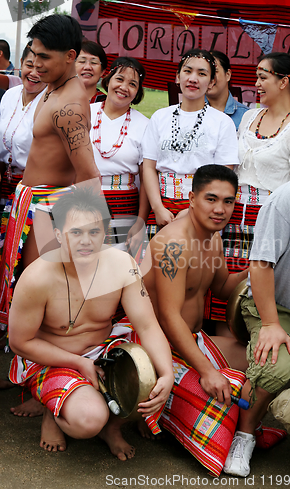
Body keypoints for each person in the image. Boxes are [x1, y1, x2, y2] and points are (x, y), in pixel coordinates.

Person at [8, 186, 174, 456]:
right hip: (50, 358)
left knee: (157, 373)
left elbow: (147, 325)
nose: (86, 241)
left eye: (94, 232)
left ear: (105, 234)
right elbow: (19, 342)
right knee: (88, 420)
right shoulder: (37, 277)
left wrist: (166, 373)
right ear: (59, 235)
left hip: (103, 348)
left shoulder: (122, 264)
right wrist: (77, 363)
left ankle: (114, 427)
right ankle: (54, 409)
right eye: (76, 232)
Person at [141, 165, 248, 476]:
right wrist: (207, 372)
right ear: (191, 198)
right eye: (211, 199)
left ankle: (169, 411)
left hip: (193, 341)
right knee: (224, 406)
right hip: (156, 346)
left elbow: (222, 289)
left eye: (228, 201)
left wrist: (255, 270)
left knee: (262, 366)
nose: (220, 209)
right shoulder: (172, 244)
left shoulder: (213, 238)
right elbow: (168, 315)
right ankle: (151, 411)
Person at [0, 14, 101, 329]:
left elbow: (88, 173)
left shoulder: (69, 105)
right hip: (31, 203)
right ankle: (24, 368)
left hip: (47, 209)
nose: (36, 64)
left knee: (37, 291)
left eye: (45, 57)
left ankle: (39, 372)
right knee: (23, 287)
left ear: (70, 56)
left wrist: (92, 237)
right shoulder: (52, 89)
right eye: (33, 54)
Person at [210, 52, 290, 326]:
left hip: (268, 223)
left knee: (253, 294)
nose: (257, 84)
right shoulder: (249, 117)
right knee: (221, 297)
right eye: (257, 77)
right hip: (231, 219)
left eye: (263, 77)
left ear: (284, 81)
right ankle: (221, 361)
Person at [223, 174, 290, 477]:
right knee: (273, 363)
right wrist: (271, 323)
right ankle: (244, 434)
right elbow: (260, 265)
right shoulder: (289, 198)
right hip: (277, 306)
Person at [142, 48, 238, 239]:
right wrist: (158, 207)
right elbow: (149, 166)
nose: (193, 79)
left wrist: (192, 211)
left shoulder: (222, 122)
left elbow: (223, 174)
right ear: (177, 76)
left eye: (202, 73)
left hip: (203, 210)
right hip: (162, 210)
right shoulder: (160, 117)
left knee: (196, 265)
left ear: (211, 82)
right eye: (187, 71)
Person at [90, 56, 149, 256]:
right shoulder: (84, 113)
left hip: (125, 207)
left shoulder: (145, 125)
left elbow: (146, 177)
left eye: (132, 84)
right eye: (120, 79)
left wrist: (140, 223)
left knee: (116, 269)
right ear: (108, 80)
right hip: (84, 201)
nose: (124, 87)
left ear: (138, 91)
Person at [0, 42, 47, 214]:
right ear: (20, 63)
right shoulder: (10, 95)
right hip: (5, 182)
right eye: (29, 65)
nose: (34, 74)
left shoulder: (50, 100)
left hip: (33, 188)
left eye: (41, 69)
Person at [205, 50, 249, 130]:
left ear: (228, 75)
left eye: (214, 71)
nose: (209, 77)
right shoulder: (190, 112)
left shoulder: (246, 116)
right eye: (203, 72)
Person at [75, 39, 107, 104]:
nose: (87, 67)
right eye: (82, 61)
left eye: (94, 62)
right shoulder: (57, 97)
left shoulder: (108, 104)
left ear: (102, 71)